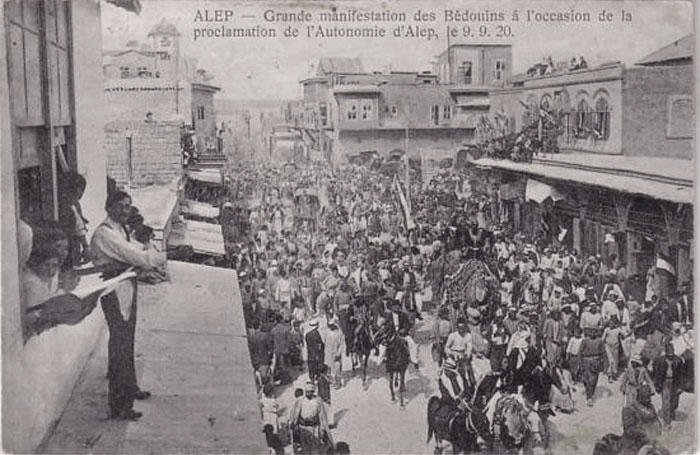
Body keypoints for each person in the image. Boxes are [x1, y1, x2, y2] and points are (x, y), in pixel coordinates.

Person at [289, 381, 332, 453]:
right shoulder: (300, 400)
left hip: (314, 428)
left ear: (313, 392)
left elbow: (322, 417)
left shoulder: (318, 401)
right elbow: (295, 415)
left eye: (310, 392)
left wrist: (322, 429)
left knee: (315, 449)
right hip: (303, 428)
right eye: (307, 392)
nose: (308, 393)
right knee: (305, 448)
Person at [620, 384, 661, 455]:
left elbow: (656, 421)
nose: (649, 400)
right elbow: (629, 429)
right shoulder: (629, 409)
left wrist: (657, 430)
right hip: (633, 443)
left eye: (649, 397)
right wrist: (644, 433)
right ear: (640, 397)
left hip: (650, 442)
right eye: (646, 398)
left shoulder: (650, 407)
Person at [652, 343, 682, 429]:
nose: (670, 357)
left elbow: (681, 375)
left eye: (672, 354)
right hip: (664, 382)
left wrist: (680, 387)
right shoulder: (659, 360)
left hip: (674, 383)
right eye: (669, 354)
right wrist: (657, 384)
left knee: (674, 401)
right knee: (666, 403)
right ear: (665, 353)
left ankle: (672, 412)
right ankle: (666, 422)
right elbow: (656, 373)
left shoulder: (678, 360)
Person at [579, 328, 605, 406]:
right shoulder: (584, 341)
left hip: (596, 361)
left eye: (595, 331)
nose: (593, 333)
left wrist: (603, 363)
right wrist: (580, 362)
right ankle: (589, 395)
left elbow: (603, 352)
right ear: (588, 332)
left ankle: (590, 395)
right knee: (586, 379)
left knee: (593, 379)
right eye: (591, 331)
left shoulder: (599, 341)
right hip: (586, 360)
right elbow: (580, 352)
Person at [323, 317, 345, 388]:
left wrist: (338, 353)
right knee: (329, 368)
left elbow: (342, 344)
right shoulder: (326, 332)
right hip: (328, 353)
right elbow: (324, 341)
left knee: (337, 369)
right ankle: (331, 381)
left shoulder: (339, 333)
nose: (331, 326)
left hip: (336, 353)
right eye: (329, 325)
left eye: (332, 325)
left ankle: (338, 382)